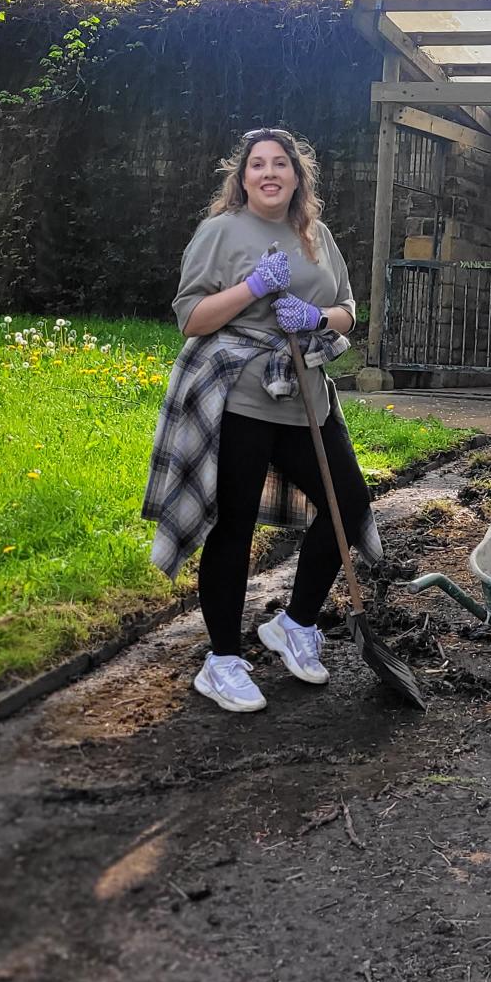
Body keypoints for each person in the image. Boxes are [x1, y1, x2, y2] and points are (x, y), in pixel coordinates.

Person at [143, 127, 375, 713]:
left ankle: (295, 624)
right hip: (240, 398)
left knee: (348, 505)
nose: (269, 173)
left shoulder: (317, 235)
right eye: (257, 165)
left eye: (280, 164)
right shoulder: (220, 233)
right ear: (242, 177)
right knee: (235, 524)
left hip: (306, 398)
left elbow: (349, 309)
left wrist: (318, 317)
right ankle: (221, 659)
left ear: (298, 176)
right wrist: (252, 286)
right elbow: (192, 318)